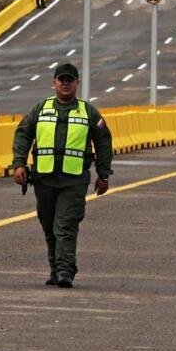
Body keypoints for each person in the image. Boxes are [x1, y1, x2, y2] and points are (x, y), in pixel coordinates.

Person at [11, 63, 113, 288]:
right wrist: (18, 164)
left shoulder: (89, 112)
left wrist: (103, 174)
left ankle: (66, 271)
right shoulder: (40, 109)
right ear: (54, 83)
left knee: (65, 225)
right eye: (61, 79)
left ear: (77, 83)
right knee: (48, 225)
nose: (65, 83)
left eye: (70, 79)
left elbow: (104, 142)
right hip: (44, 179)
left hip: (73, 180)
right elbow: (22, 135)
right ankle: (55, 270)